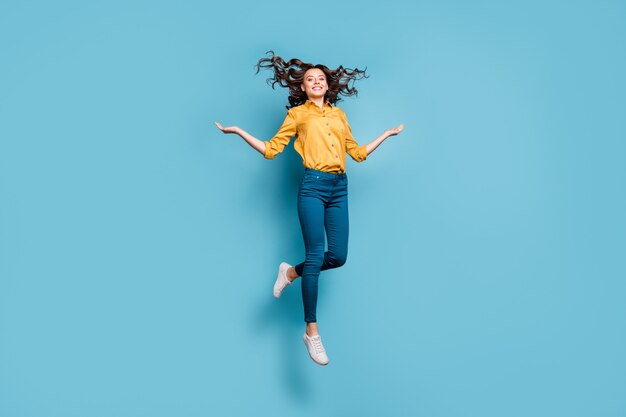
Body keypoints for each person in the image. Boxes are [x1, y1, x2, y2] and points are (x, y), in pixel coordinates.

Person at [214, 51, 404, 366]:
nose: (315, 82)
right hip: (313, 186)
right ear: (302, 88)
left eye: (320, 78)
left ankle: (290, 272)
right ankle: (312, 332)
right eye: (309, 80)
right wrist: (238, 132)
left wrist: (386, 135)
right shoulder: (298, 115)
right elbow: (271, 149)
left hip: (339, 188)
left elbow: (355, 153)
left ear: (327, 85)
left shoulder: (339, 116)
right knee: (317, 254)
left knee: (338, 256)